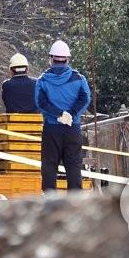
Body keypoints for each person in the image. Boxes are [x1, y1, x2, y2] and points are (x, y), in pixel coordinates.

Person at [34, 40, 91, 192]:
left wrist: (59, 114)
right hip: (72, 129)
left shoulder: (43, 80)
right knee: (73, 167)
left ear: (51, 58)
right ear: (67, 59)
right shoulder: (79, 78)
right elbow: (85, 98)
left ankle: (50, 204)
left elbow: (41, 102)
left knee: (49, 167)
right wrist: (71, 114)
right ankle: (74, 203)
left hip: (51, 130)